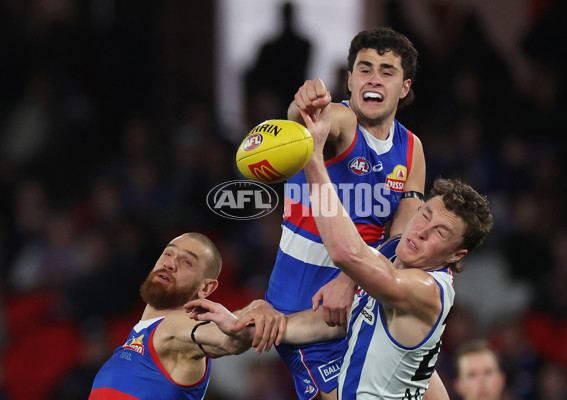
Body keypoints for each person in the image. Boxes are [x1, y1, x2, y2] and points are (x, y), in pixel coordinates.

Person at [187, 103, 494, 399]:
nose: (422, 231)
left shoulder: (426, 289)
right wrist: (252, 321)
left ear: (456, 256)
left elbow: (347, 253)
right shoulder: (393, 259)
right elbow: (327, 324)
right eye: (425, 215)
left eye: (440, 232)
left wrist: (312, 157)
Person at [265, 26, 427, 399]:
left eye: (387, 72)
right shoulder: (338, 121)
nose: (374, 79)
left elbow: (402, 239)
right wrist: (302, 106)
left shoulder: (412, 148)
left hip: (363, 305)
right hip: (306, 311)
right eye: (365, 69)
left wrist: (352, 277)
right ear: (350, 79)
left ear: (404, 87)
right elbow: (300, 124)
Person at [89, 232, 285, 399]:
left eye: (187, 262)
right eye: (168, 253)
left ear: (206, 287)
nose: (170, 263)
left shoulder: (175, 326)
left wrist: (253, 312)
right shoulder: (144, 334)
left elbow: (227, 340)